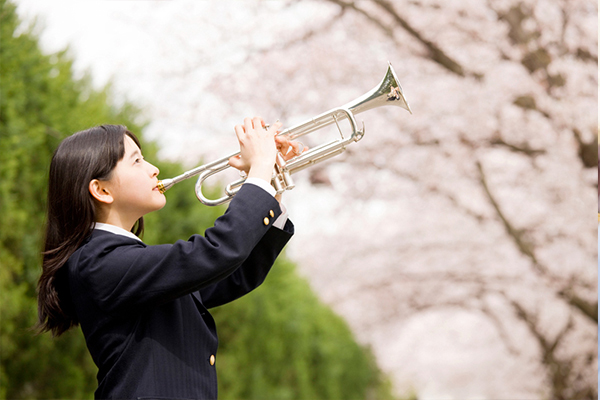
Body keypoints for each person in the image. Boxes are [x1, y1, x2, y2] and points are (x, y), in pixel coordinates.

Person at [36, 118, 303, 399]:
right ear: (101, 190)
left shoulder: (123, 260)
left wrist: (270, 185)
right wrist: (258, 172)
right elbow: (216, 252)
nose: (154, 169)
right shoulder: (97, 262)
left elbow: (232, 275)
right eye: (137, 161)